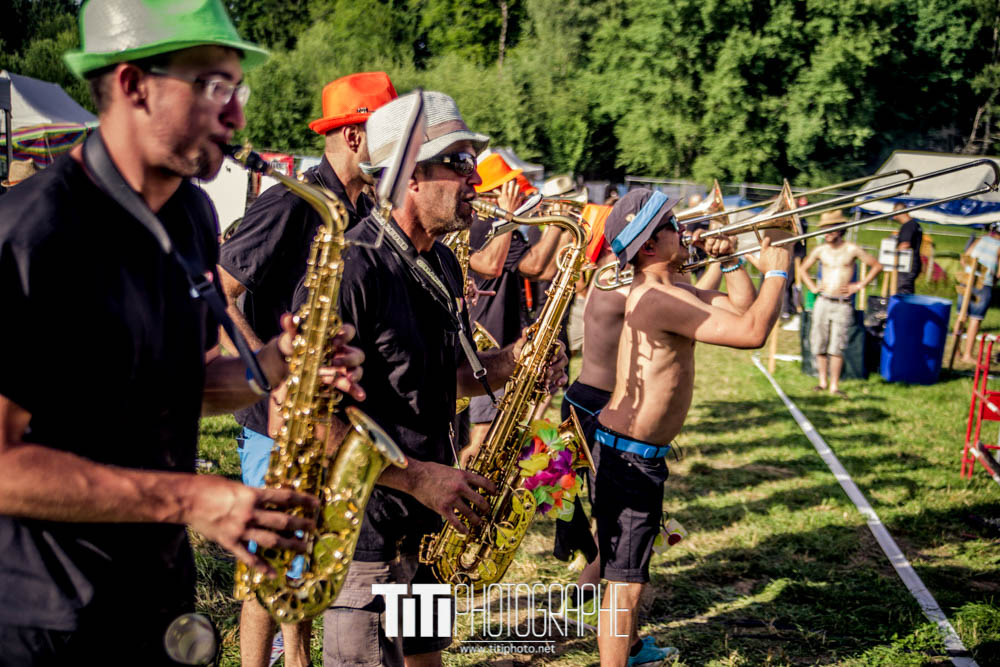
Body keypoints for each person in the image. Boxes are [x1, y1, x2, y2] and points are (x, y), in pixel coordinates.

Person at [0, 1, 365, 663]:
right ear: (134, 84)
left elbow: (174, 385)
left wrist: (278, 364)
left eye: (237, 89)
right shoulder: (36, 234)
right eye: (214, 88)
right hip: (46, 620)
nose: (237, 116)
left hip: (161, 602)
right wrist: (192, 497)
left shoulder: (192, 213)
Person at [322, 90, 568, 667]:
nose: (474, 178)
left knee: (427, 659)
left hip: (432, 524)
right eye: (457, 162)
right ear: (407, 174)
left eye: (470, 162)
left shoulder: (441, 261)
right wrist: (418, 479)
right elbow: (307, 422)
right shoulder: (353, 266)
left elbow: (439, 375)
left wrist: (514, 362)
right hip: (367, 536)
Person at [216, 70, 397, 667]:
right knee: (270, 563)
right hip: (277, 417)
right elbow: (222, 290)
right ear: (352, 135)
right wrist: (269, 378)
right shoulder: (291, 202)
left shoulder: (362, 206)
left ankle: (298, 660)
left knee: (306, 560)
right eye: (384, 130)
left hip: (328, 415)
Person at [593, 188, 791, 666]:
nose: (683, 229)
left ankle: (631, 652)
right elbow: (753, 334)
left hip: (635, 454)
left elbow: (741, 310)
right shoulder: (657, 297)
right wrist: (779, 266)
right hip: (628, 457)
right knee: (625, 582)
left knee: (628, 572)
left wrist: (732, 262)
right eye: (670, 225)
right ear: (648, 247)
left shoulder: (673, 289)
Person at [464, 154, 566, 461]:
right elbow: (528, 267)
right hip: (487, 341)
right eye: (513, 189)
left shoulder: (501, 227)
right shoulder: (484, 226)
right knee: (481, 437)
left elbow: (542, 270)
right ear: (497, 192)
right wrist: (553, 224)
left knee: (496, 433)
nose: (522, 195)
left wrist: (558, 228)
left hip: (504, 340)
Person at [798, 210, 882, 397]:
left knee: (837, 344)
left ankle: (834, 385)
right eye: (824, 229)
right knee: (819, 341)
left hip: (843, 303)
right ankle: (822, 381)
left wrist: (859, 285)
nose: (826, 233)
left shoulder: (851, 249)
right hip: (823, 301)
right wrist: (812, 286)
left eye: (830, 229)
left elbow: (876, 265)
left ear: (839, 230)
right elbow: (802, 269)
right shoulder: (820, 250)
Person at [958, 222, 1000, 364]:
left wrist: (970, 270)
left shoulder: (980, 239)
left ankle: (956, 351)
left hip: (966, 279)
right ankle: (968, 354)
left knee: (961, 316)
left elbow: (964, 259)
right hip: (984, 283)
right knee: (975, 319)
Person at [892, 202, 923, 295]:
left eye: (894, 214)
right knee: (907, 289)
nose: (894, 217)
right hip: (913, 264)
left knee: (903, 292)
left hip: (906, 265)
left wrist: (893, 251)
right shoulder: (915, 225)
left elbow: (905, 245)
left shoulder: (908, 226)